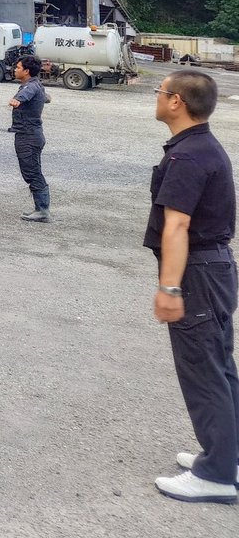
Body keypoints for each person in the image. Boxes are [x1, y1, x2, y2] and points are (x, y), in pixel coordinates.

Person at [145, 71, 239, 505]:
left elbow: (177, 226)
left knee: (203, 372)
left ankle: (217, 476)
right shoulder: (201, 146)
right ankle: (228, 457)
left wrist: (170, 287)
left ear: (178, 101)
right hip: (215, 270)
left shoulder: (189, 157)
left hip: (197, 275)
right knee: (219, 366)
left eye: (161, 92)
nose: (157, 97)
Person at [10, 54, 51, 221]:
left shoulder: (30, 87)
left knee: (33, 173)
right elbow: (47, 98)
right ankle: (40, 208)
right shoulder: (37, 85)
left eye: (18, 68)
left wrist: (16, 100)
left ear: (26, 71)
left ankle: (42, 210)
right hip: (31, 135)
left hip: (28, 137)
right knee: (32, 171)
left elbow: (23, 97)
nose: (15, 70)